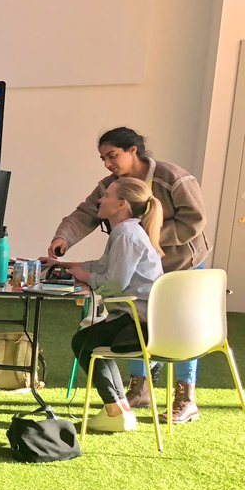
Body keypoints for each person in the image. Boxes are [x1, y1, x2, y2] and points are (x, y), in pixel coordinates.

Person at [48, 127, 211, 424]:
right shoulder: (111, 186)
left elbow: (194, 220)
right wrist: (63, 238)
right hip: (145, 265)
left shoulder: (173, 177)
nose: (107, 164)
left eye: (112, 156)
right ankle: (139, 389)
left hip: (183, 265)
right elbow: (84, 213)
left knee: (180, 329)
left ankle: (185, 398)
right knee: (134, 321)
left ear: (133, 150)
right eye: (103, 158)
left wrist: (146, 237)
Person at [49, 177, 164, 432]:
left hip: (138, 322)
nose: (100, 200)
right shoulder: (128, 231)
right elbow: (103, 266)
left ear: (122, 204)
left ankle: (115, 410)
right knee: (93, 343)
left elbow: (115, 282)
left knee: (83, 343)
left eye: (107, 195)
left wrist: (85, 276)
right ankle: (119, 410)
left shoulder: (126, 235)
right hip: (142, 318)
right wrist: (66, 266)